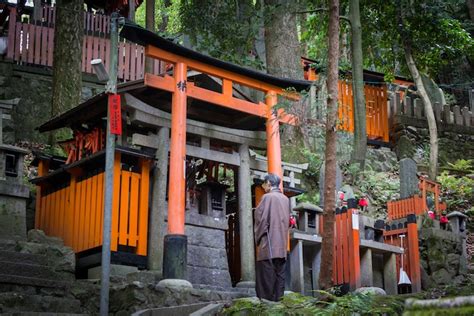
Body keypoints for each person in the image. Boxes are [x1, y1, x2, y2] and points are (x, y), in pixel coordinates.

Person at [254, 173, 290, 301]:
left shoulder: (267, 197)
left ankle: (266, 305)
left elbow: (262, 220)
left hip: (268, 243)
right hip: (282, 245)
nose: (263, 186)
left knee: (266, 276)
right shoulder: (286, 199)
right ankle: (278, 304)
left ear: (269, 183)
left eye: (264, 183)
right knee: (279, 276)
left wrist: (258, 237)